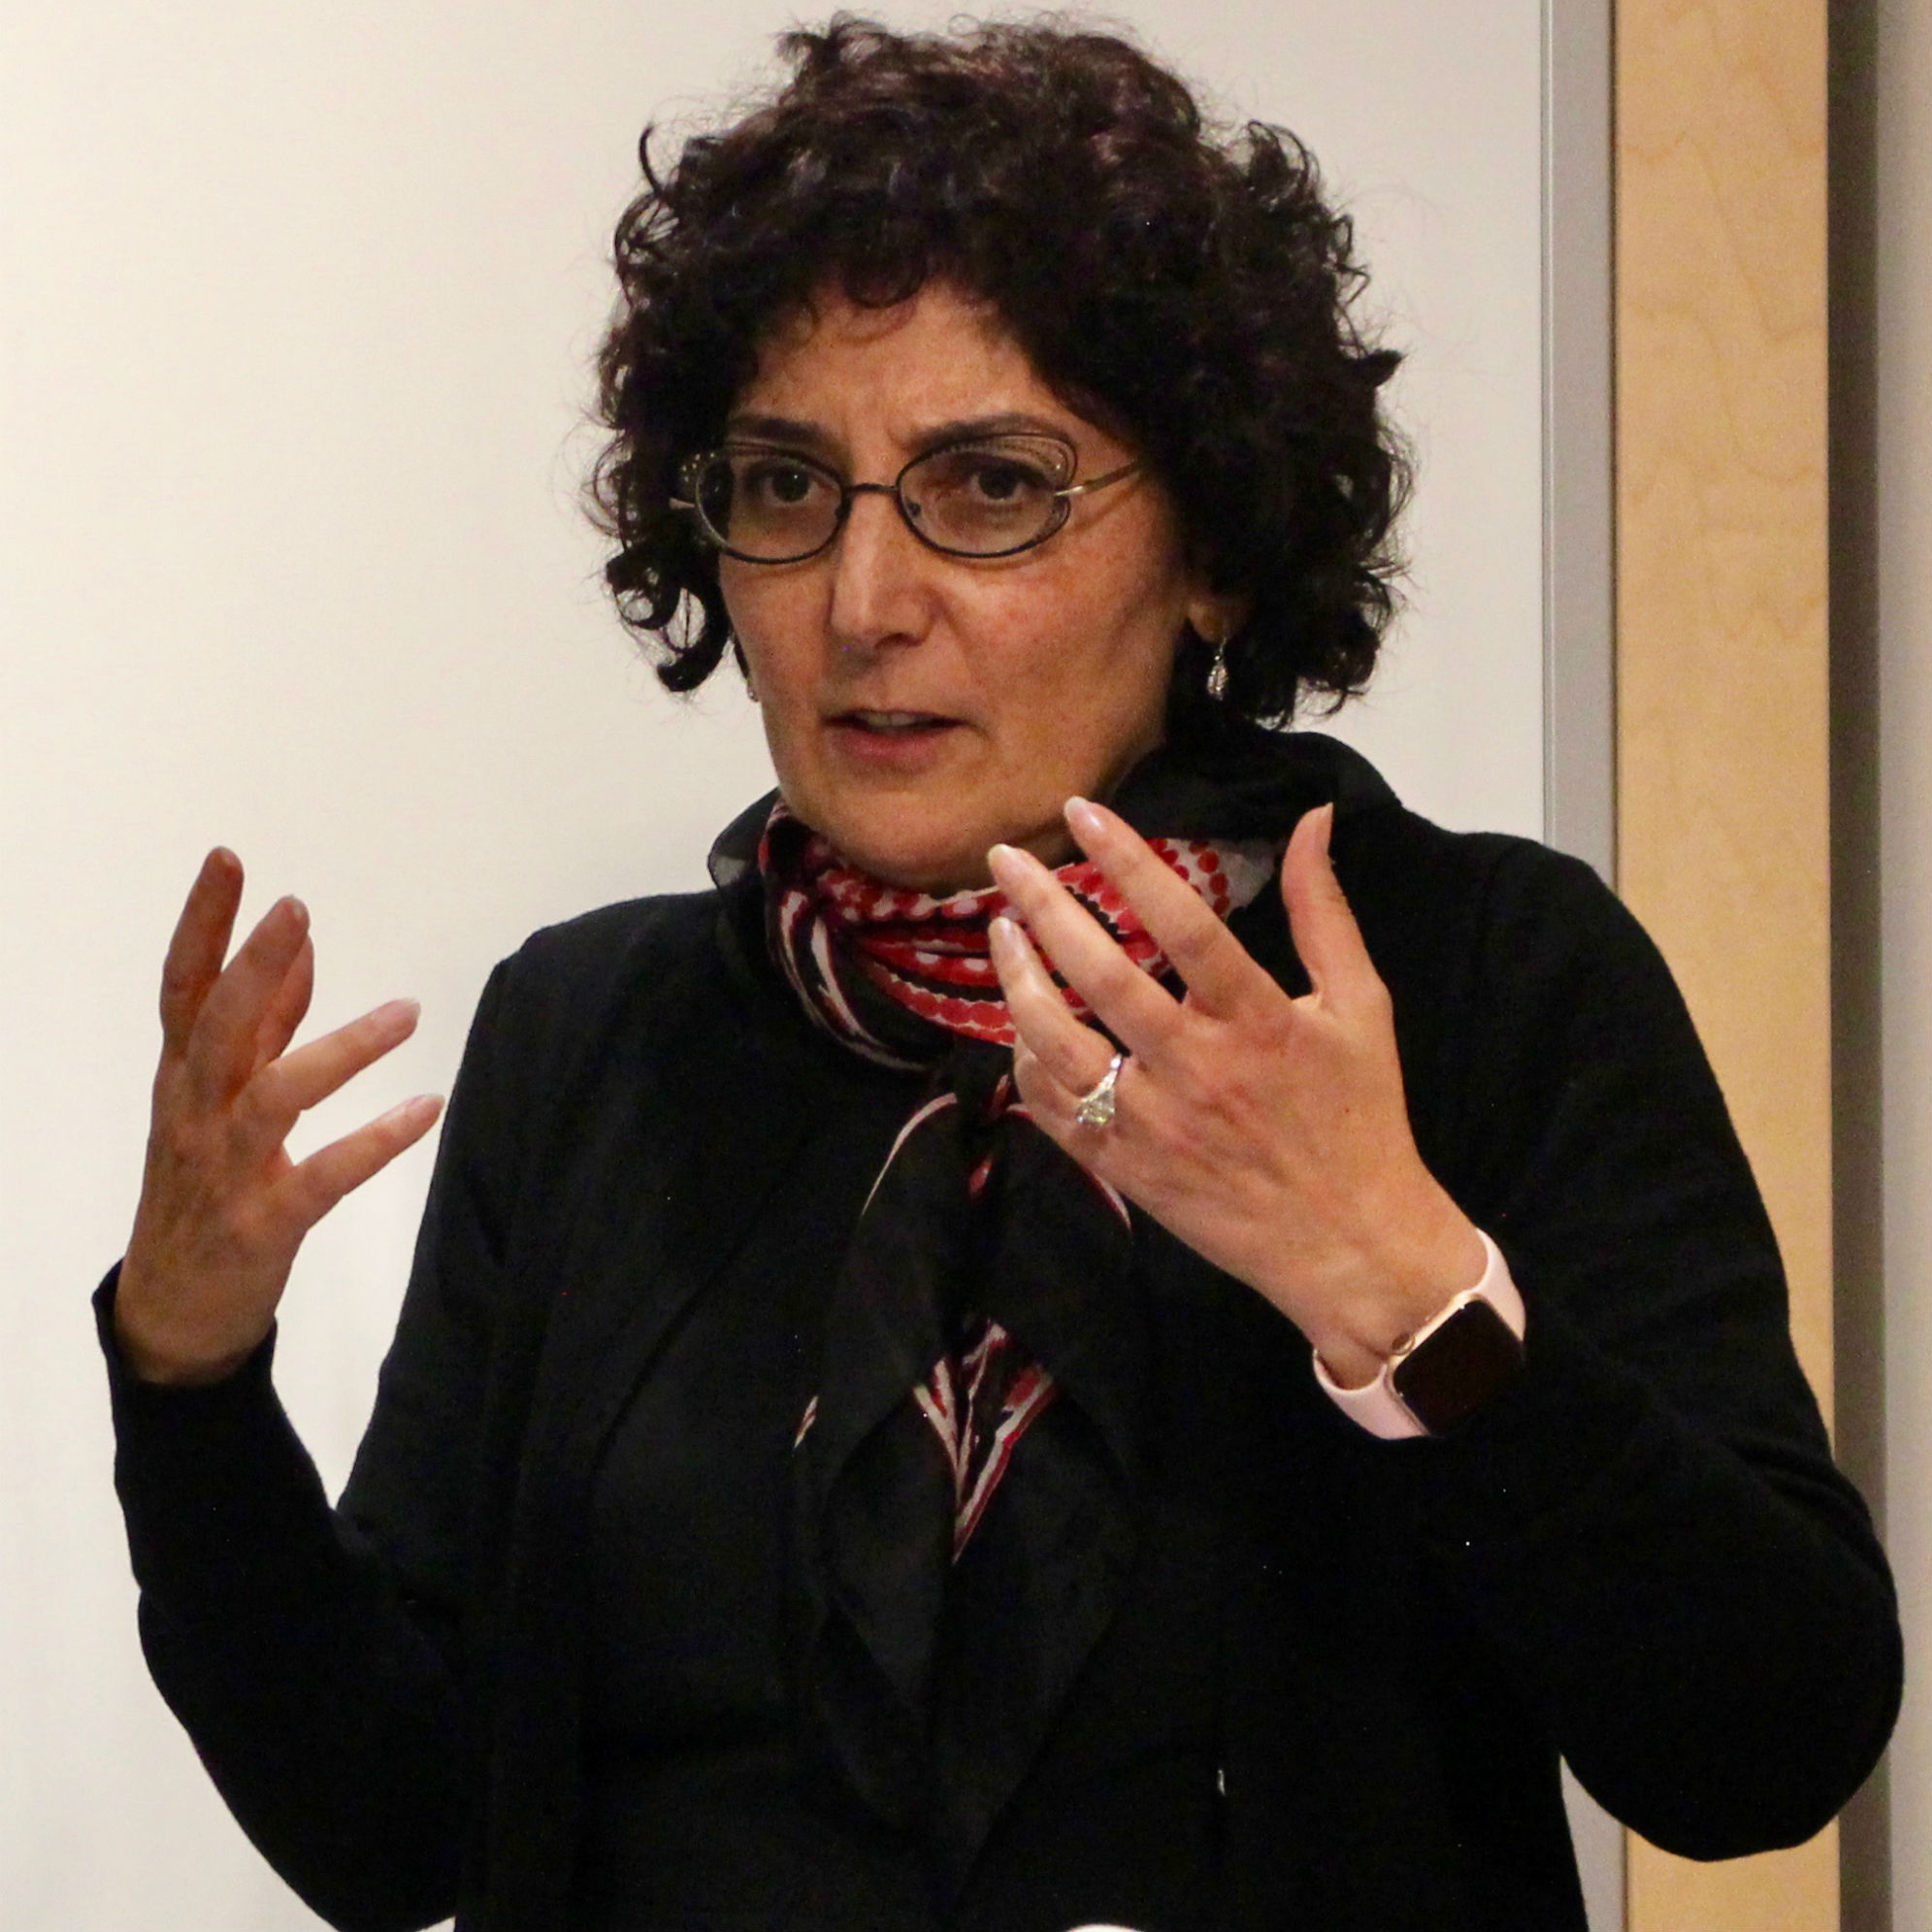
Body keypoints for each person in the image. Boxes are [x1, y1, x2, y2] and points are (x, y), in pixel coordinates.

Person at [100, 17, 1899, 1932]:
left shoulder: (1469, 982)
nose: (864, 604)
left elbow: (1762, 1747)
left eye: (988, 489)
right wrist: (189, 1375)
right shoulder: (595, 1039)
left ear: (1210, 547)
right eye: (785, 488)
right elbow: (389, 1831)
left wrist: (1398, 1281)